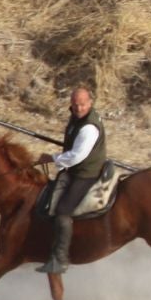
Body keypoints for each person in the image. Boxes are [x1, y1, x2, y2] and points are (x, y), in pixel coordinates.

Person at [40, 88, 108, 275]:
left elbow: (77, 156)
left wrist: (52, 158)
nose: (79, 108)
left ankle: (60, 258)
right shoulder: (77, 118)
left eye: (83, 104)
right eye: (75, 104)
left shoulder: (89, 127)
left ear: (90, 103)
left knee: (62, 211)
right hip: (76, 170)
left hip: (86, 173)